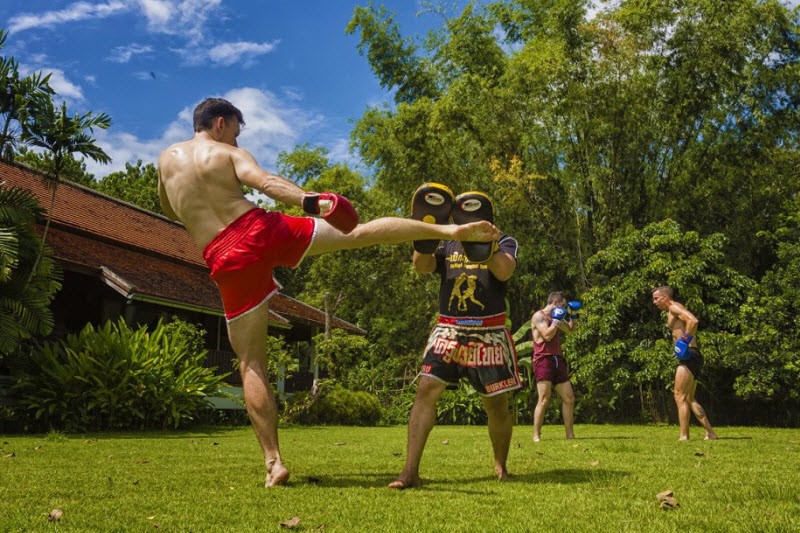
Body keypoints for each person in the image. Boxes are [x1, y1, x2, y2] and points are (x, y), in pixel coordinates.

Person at [157, 98, 500, 487]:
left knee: (251, 362)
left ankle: (274, 463)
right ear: (221, 123)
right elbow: (265, 182)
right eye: (235, 132)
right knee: (359, 233)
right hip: (258, 230)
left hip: (222, 255)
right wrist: (312, 201)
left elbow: (169, 210)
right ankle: (447, 232)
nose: (235, 141)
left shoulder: (166, 162)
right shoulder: (225, 154)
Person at [389, 222, 520, 489]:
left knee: (496, 405)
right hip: (448, 328)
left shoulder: (505, 240)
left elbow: (504, 272)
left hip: (489, 330)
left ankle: (500, 467)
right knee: (426, 388)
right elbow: (421, 266)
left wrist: (488, 243)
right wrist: (425, 235)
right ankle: (410, 471)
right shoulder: (447, 242)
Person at [651, 286, 718, 441]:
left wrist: (684, 340)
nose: (654, 302)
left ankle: (684, 436)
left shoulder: (674, 307)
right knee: (689, 398)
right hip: (692, 355)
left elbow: (693, 320)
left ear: (665, 298)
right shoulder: (672, 310)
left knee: (679, 395)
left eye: (656, 298)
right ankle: (710, 433)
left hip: (689, 354)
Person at [530, 292, 577, 442]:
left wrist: (574, 315)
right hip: (543, 359)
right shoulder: (539, 316)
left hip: (557, 359)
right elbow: (547, 335)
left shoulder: (557, 315)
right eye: (563, 305)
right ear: (555, 302)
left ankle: (569, 435)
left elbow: (570, 330)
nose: (564, 308)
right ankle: (536, 435)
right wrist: (556, 320)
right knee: (544, 399)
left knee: (569, 398)